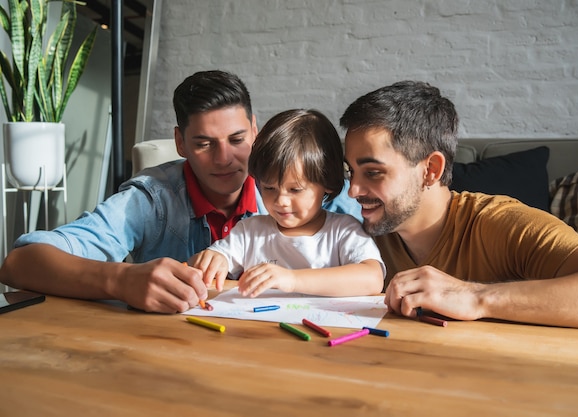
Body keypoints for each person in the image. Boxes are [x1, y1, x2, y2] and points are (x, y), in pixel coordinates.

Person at [0, 70, 360, 314]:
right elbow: (20, 264)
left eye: (237, 140)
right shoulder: (151, 199)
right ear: (180, 143)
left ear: (256, 132)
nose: (224, 159)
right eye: (204, 143)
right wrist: (121, 279)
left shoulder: (321, 193)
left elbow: (381, 266)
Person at [340, 80, 578, 329]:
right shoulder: (357, 235)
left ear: (430, 170)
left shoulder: (499, 223)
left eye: (373, 172)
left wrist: (476, 297)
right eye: (350, 171)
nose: (353, 190)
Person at [189, 109, 384, 298]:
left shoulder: (343, 231)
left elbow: (372, 278)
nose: (280, 201)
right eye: (269, 188)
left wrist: (291, 279)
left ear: (327, 183)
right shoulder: (249, 233)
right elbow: (213, 261)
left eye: (295, 190)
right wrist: (213, 260)